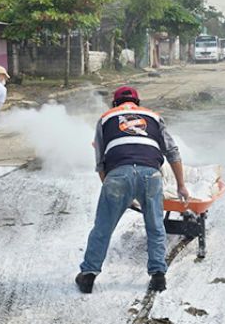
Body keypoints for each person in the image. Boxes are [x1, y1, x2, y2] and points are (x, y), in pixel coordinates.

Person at [76, 86, 189, 294]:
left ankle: (88, 276)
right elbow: (172, 152)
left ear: (114, 104)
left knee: (103, 227)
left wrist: (115, 193)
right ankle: (158, 277)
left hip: (118, 175)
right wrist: (181, 185)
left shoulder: (105, 118)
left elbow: (100, 163)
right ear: (137, 102)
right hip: (151, 175)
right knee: (155, 226)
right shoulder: (153, 116)